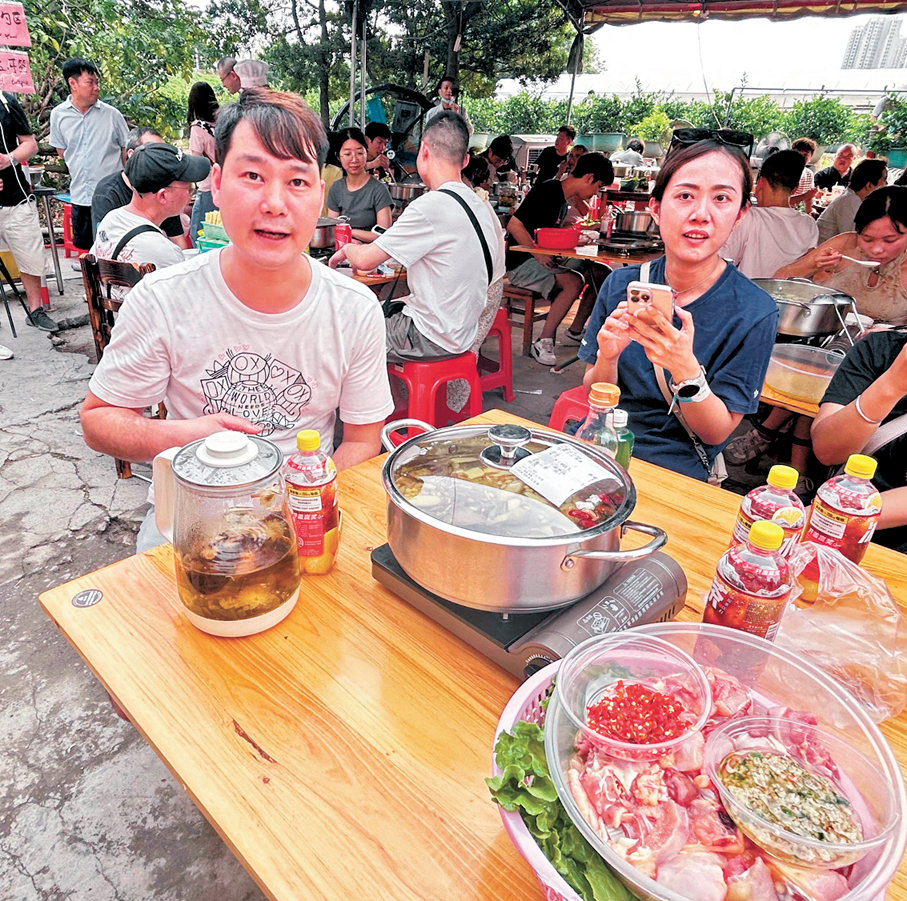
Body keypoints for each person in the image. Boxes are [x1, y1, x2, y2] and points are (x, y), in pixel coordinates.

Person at [81, 88, 394, 552]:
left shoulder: (354, 309)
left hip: (303, 516)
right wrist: (188, 436)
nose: (275, 202)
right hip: (189, 519)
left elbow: (363, 442)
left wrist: (296, 508)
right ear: (218, 183)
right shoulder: (164, 297)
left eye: (297, 181)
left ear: (319, 197)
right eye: (252, 175)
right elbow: (99, 421)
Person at [577, 132, 778, 482]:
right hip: (602, 448)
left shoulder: (754, 312)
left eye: (721, 198)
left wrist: (685, 369)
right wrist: (608, 358)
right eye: (685, 195)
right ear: (655, 208)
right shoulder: (620, 284)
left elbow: (716, 434)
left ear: (741, 213)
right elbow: (594, 392)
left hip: (676, 466)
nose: (701, 214)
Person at [329, 111, 503, 361]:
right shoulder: (479, 204)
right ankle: (393, 399)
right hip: (463, 332)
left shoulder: (430, 206)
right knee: (383, 309)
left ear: (424, 151)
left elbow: (365, 261)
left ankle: (363, 401)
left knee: (337, 332)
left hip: (429, 336)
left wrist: (347, 250)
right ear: (464, 160)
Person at [505, 152, 613, 364]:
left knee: (602, 273)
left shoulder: (563, 199)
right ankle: (543, 341)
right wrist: (537, 254)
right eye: (597, 186)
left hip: (543, 258)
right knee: (574, 282)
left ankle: (574, 331)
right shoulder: (548, 190)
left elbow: (549, 232)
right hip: (521, 264)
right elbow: (513, 225)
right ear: (589, 178)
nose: (594, 192)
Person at [810, 326, 907, 554]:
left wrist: (823, 516)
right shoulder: (879, 349)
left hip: (886, 542)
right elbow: (827, 450)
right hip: (829, 524)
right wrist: (892, 385)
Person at [776, 186, 907, 327]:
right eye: (867, 239)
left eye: (890, 240)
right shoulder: (846, 244)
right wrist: (815, 265)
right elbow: (779, 281)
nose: (876, 249)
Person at [90, 142, 209, 298]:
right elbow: (190, 304)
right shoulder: (164, 252)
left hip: (114, 318)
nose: (190, 195)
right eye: (189, 189)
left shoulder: (109, 220)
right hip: (149, 322)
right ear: (163, 196)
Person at [49, 58, 129, 254]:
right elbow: (62, 150)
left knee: (115, 249)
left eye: (96, 82)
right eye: (90, 82)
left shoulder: (112, 115)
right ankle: (89, 286)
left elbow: (127, 150)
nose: (96, 88)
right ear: (72, 83)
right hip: (80, 195)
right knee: (86, 253)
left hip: (112, 198)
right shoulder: (59, 115)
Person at [0, 90, 58, 333]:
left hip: (17, 200)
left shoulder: (6, 101)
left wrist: (9, 159)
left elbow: (30, 144)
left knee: (31, 258)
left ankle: (35, 310)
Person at [720, 149, 818, 278]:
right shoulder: (809, 224)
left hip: (747, 294)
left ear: (760, 182)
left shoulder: (749, 218)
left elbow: (722, 262)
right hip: (788, 296)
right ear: (795, 188)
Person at [92, 128, 190, 249]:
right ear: (132, 155)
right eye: (153, 154)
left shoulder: (163, 187)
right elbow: (105, 246)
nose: (162, 160)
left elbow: (179, 241)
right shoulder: (107, 194)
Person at [326, 127, 393, 243]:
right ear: (338, 157)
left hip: (373, 254)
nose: (354, 159)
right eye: (347, 154)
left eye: (360, 153)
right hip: (341, 251)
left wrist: (349, 232)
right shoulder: (336, 188)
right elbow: (332, 228)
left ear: (366, 154)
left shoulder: (378, 190)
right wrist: (349, 240)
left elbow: (383, 233)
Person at [817, 158, 888, 244]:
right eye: (884, 180)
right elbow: (852, 240)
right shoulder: (849, 202)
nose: (887, 184)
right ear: (869, 185)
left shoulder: (857, 200)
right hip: (825, 252)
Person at [187, 82, 220, 247]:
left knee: (198, 234)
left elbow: (196, 162)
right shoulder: (223, 122)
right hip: (225, 184)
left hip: (207, 187)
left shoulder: (197, 128)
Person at [789, 137, 818, 213]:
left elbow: (809, 198)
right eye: (797, 154)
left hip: (796, 214)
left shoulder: (809, 174)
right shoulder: (783, 172)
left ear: (810, 157)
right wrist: (805, 196)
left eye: (805, 155)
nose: (800, 158)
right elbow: (780, 202)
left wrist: (811, 212)